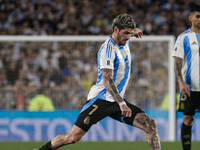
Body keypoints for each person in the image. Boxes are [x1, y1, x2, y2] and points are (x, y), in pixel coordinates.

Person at [36, 13, 162, 150]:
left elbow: (127, 34)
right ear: (115, 30)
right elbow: (107, 80)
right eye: (125, 33)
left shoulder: (124, 39)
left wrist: (134, 32)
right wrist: (122, 103)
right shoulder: (107, 50)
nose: (127, 37)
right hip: (100, 100)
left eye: (129, 34)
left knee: (150, 125)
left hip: (116, 101)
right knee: (72, 138)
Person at [172, 4, 200, 150]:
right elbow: (177, 61)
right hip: (190, 88)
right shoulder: (184, 37)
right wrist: (181, 82)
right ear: (191, 18)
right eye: (198, 16)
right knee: (188, 120)